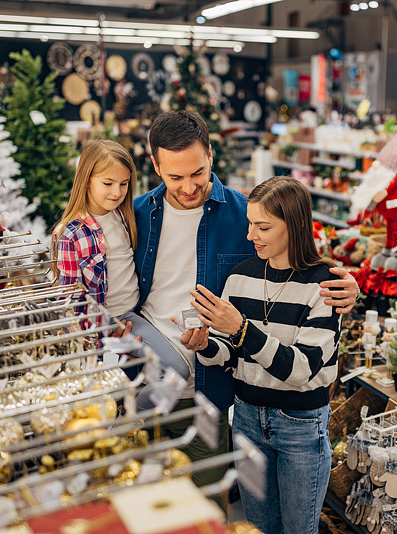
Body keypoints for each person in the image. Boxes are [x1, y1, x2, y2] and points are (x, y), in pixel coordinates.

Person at [132, 111, 358, 488]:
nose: (188, 187)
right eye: (175, 177)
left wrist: (348, 285)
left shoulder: (246, 215)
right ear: (155, 165)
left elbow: (300, 259)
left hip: (211, 389)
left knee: (207, 508)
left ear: (210, 154)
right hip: (147, 383)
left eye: (197, 172)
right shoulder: (137, 214)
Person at [183, 176, 339, 534]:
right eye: (251, 223)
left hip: (300, 426)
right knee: (257, 528)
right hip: (248, 422)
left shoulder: (324, 286)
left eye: (263, 226)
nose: (251, 235)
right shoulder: (239, 278)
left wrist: (241, 329)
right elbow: (231, 356)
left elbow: (299, 369)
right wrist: (205, 344)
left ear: (296, 225)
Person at [52, 140, 189, 380]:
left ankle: (135, 416)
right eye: (108, 183)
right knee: (113, 388)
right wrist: (92, 344)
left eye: (124, 184)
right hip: (102, 328)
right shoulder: (71, 233)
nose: (117, 192)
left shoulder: (123, 216)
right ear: (86, 180)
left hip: (135, 316)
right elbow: (69, 298)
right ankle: (129, 417)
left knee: (175, 371)